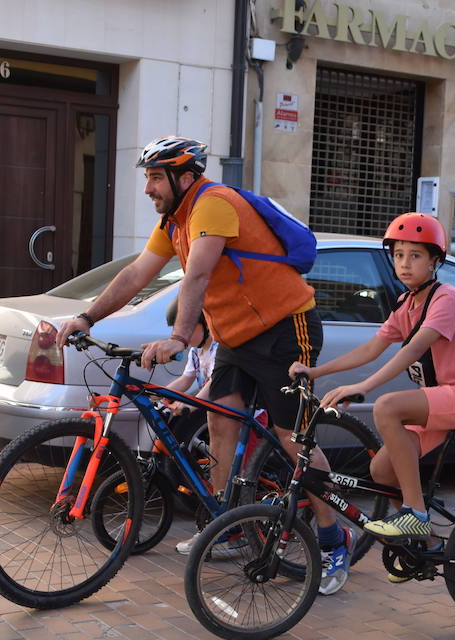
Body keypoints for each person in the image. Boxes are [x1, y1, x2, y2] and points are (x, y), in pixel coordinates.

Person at [55, 137, 353, 594]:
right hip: (237, 336)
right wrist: (88, 316)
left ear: (184, 176)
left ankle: (334, 539)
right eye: (148, 178)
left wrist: (178, 337)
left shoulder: (213, 205)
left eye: (156, 178)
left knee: (293, 436)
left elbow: (197, 274)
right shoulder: (174, 221)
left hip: (284, 328)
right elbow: (139, 273)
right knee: (219, 422)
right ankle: (230, 524)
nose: (149, 188)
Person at [291, 213, 455, 579]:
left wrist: (365, 387)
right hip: (444, 397)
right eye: (399, 254)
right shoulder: (406, 304)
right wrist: (315, 372)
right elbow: (370, 349)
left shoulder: (447, 299)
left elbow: (412, 349)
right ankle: (424, 546)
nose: (405, 263)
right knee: (381, 470)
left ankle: (416, 516)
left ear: (435, 261)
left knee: (388, 406)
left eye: (416, 255)